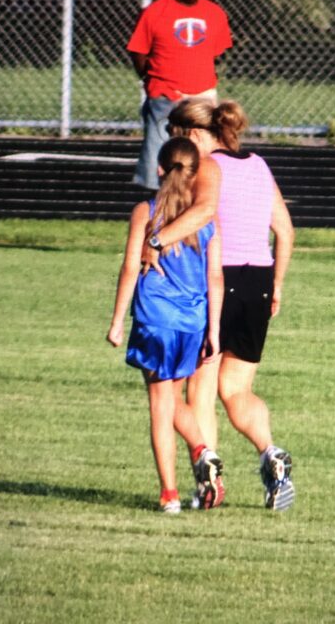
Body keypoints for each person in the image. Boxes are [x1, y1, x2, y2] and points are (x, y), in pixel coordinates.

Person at [149, 98, 297, 511]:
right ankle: (271, 453)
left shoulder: (208, 168)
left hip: (219, 279)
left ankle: (207, 484)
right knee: (237, 390)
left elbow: (204, 212)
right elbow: (285, 231)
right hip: (259, 281)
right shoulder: (258, 165)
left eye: (176, 140)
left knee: (201, 388)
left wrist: (156, 241)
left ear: (193, 134)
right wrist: (277, 285)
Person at [106, 136, 225, 513]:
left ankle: (169, 494)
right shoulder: (204, 219)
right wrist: (215, 331)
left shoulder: (145, 211)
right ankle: (203, 450)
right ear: (194, 174)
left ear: (159, 169)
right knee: (172, 398)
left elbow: (129, 268)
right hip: (192, 322)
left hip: (155, 319)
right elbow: (216, 277)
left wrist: (116, 322)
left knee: (160, 405)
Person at [126, 0, 233, 190]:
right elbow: (138, 50)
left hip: (202, 92)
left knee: (205, 144)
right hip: (165, 92)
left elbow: (216, 51)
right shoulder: (155, 12)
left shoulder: (214, 13)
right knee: (159, 144)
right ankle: (153, 194)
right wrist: (149, 77)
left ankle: (204, 189)